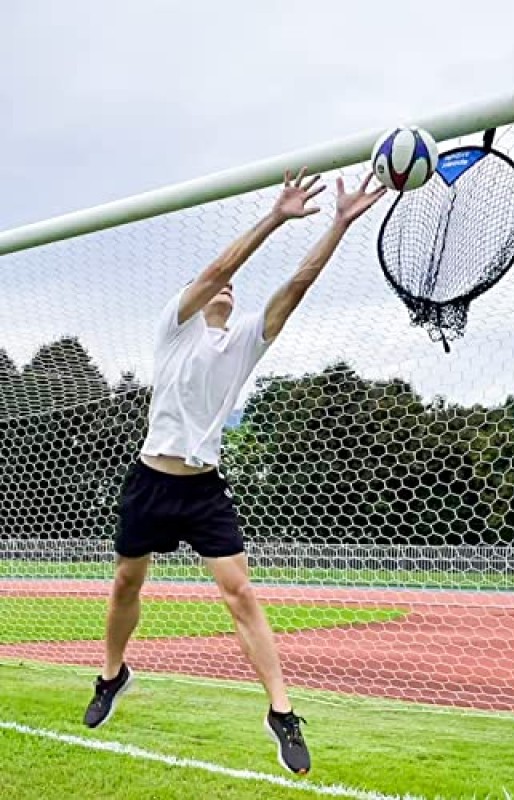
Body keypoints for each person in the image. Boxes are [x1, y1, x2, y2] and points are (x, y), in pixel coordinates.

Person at [82, 168, 387, 776]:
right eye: (216, 288)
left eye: (231, 291)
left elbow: (296, 287)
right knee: (124, 584)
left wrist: (339, 224)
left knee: (240, 593)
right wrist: (276, 216)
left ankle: (281, 713)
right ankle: (112, 675)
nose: (225, 290)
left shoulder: (246, 339)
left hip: (202, 487)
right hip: (150, 480)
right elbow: (221, 270)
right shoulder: (172, 331)